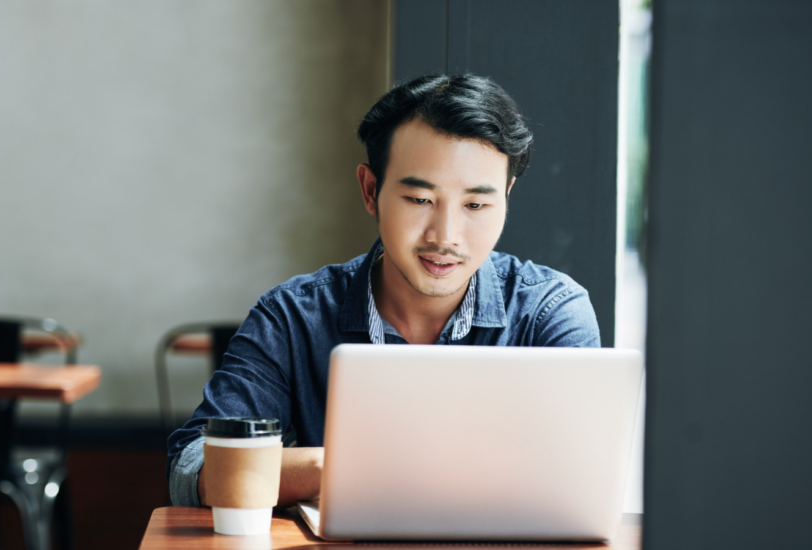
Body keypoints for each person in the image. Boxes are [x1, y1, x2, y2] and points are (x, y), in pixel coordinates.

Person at [167, 73, 601, 507]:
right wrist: (332, 467)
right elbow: (194, 470)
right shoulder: (292, 317)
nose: (446, 236)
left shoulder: (549, 313)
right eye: (420, 200)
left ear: (506, 197)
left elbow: (581, 479)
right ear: (371, 191)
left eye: (476, 205)